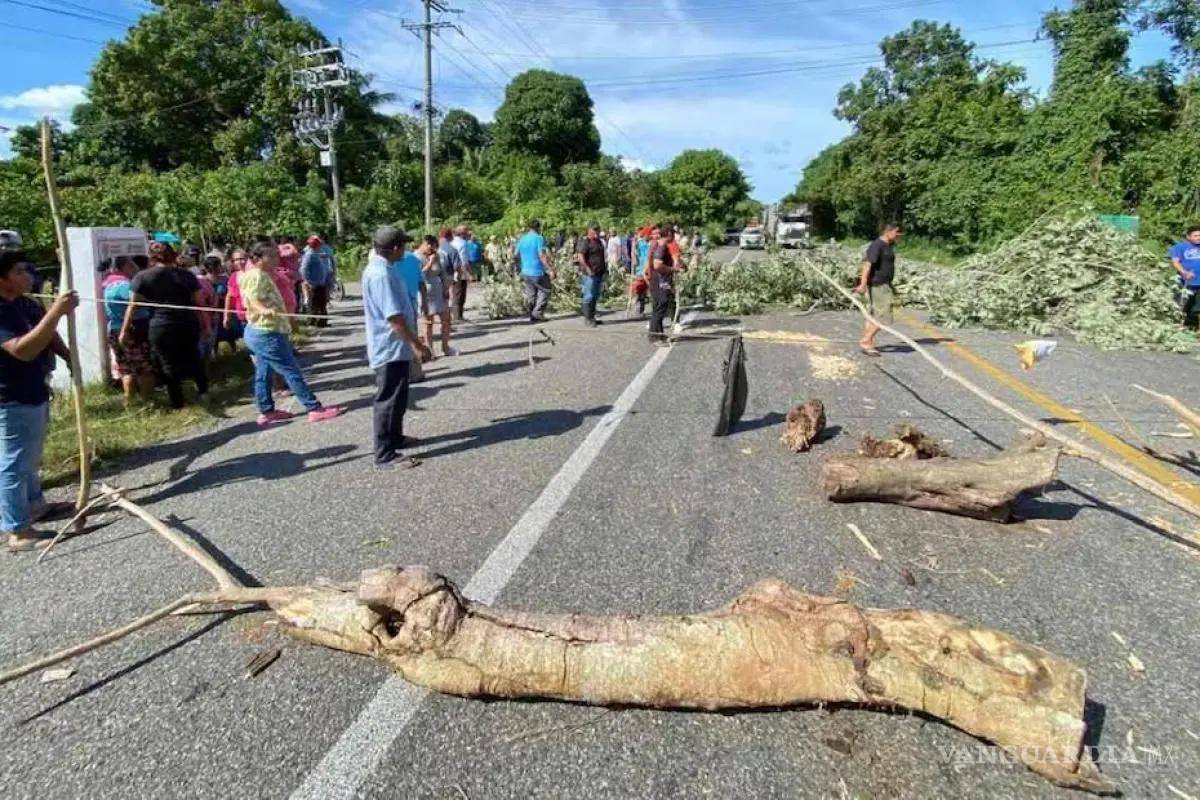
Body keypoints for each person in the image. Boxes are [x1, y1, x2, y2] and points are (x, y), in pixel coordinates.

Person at [0, 249, 78, 551]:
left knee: (30, 456)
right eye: (20, 271)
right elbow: (23, 349)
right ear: (3, 278)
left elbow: (46, 334)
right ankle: (17, 529)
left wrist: (69, 357)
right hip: (10, 397)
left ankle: (35, 506)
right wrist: (57, 311)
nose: (28, 275)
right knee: (14, 462)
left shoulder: (24, 304)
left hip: (34, 388)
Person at [240, 240, 342, 427]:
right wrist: (262, 309)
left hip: (261, 331)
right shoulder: (256, 276)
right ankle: (314, 408)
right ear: (258, 258)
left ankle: (266, 412)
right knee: (291, 370)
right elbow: (251, 300)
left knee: (264, 372)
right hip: (266, 332)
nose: (275, 259)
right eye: (271, 256)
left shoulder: (258, 274)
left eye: (276, 255)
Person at [362, 226, 431, 469]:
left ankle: (396, 437)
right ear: (394, 248)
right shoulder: (380, 274)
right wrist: (418, 345)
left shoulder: (387, 268)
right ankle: (384, 455)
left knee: (399, 395)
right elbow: (394, 318)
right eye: (403, 244)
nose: (405, 248)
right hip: (389, 347)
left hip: (397, 347)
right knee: (388, 399)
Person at [121, 242, 208, 409]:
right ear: (173, 255)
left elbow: (132, 305)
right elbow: (199, 302)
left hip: (161, 326)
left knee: (167, 364)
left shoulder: (142, 277)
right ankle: (204, 393)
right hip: (187, 323)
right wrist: (206, 325)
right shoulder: (186, 275)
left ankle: (178, 403)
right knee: (193, 358)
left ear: (151, 258)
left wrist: (124, 330)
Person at [101, 257, 155, 401]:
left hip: (115, 329)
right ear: (127, 267)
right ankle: (148, 401)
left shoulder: (107, 284)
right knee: (145, 368)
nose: (136, 268)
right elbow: (135, 301)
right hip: (132, 330)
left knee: (126, 369)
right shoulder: (124, 285)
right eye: (133, 265)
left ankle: (129, 401)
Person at [854, 222, 902, 357]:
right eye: (897, 232)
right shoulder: (877, 245)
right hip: (878, 285)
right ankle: (865, 341)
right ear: (888, 231)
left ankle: (868, 343)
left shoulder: (888, 245)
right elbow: (867, 265)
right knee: (884, 316)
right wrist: (862, 284)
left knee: (874, 315)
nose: (899, 235)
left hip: (884, 284)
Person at [418, 234, 456, 357]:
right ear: (425, 244)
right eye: (431, 247)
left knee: (446, 319)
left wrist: (446, 288)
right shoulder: (416, 257)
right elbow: (419, 275)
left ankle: (446, 347)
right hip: (425, 291)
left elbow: (442, 273)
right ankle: (430, 350)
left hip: (438, 289)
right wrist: (430, 262)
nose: (432, 250)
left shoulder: (437, 255)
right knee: (428, 322)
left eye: (434, 248)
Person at [648, 225, 681, 344]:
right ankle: (654, 336)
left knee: (660, 308)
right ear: (668, 234)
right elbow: (657, 265)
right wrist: (672, 269)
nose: (674, 236)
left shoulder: (661, 245)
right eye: (672, 233)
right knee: (659, 309)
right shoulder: (662, 247)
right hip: (659, 282)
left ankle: (660, 334)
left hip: (660, 281)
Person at [517, 219, 555, 323]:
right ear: (538, 228)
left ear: (529, 227)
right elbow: (542, 255)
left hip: (525, 271)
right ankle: (537, 314)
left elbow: (515, 254)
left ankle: (532, 314)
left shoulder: (522, 239)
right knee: (545, 290)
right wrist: (550, 269)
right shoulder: (539, 238)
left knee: (531, 293)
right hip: (537, 271)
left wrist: (520, 266)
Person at [575, 222, 607, 327]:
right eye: (594, 232)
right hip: (590, 274)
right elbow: (580, 257)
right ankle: (587, 319)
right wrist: (588, 269)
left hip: (599, 272)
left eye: (598, 231)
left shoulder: (599, 242)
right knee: (588, 296)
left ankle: (592, 317)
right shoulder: (585, 242)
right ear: (589, 231)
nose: (596, 234)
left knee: (595, 296)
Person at [1170, 225, 1200, 330]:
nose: (1198, 237)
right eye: (1195, 235)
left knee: (1198, 308)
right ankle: (1178, 328)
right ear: (1188, 237)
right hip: (1186, 282)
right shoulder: (1180, 247)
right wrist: (1184, 272)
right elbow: (1175, 262)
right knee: (1182, 306)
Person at [301, 234, 332, 327]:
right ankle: (312, 321)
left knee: (322, 302)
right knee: (314, 303)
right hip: (314, 283)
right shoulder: (309, 255)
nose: (321, 245)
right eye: (319, 244)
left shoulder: (317, 253)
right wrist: (308, 281)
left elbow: (325, 256)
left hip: (321, 282)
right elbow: (303, 269)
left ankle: (322, 321)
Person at [449, 225, 472, 321]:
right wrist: (469, 273)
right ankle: (458, 316)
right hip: (461, 271)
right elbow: (464, 261)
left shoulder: (451, 242)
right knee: (460, 293)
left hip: (451, 271)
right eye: (467, 233)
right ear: (463, 234)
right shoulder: (463, 244)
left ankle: (456, 315)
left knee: (454, 293)